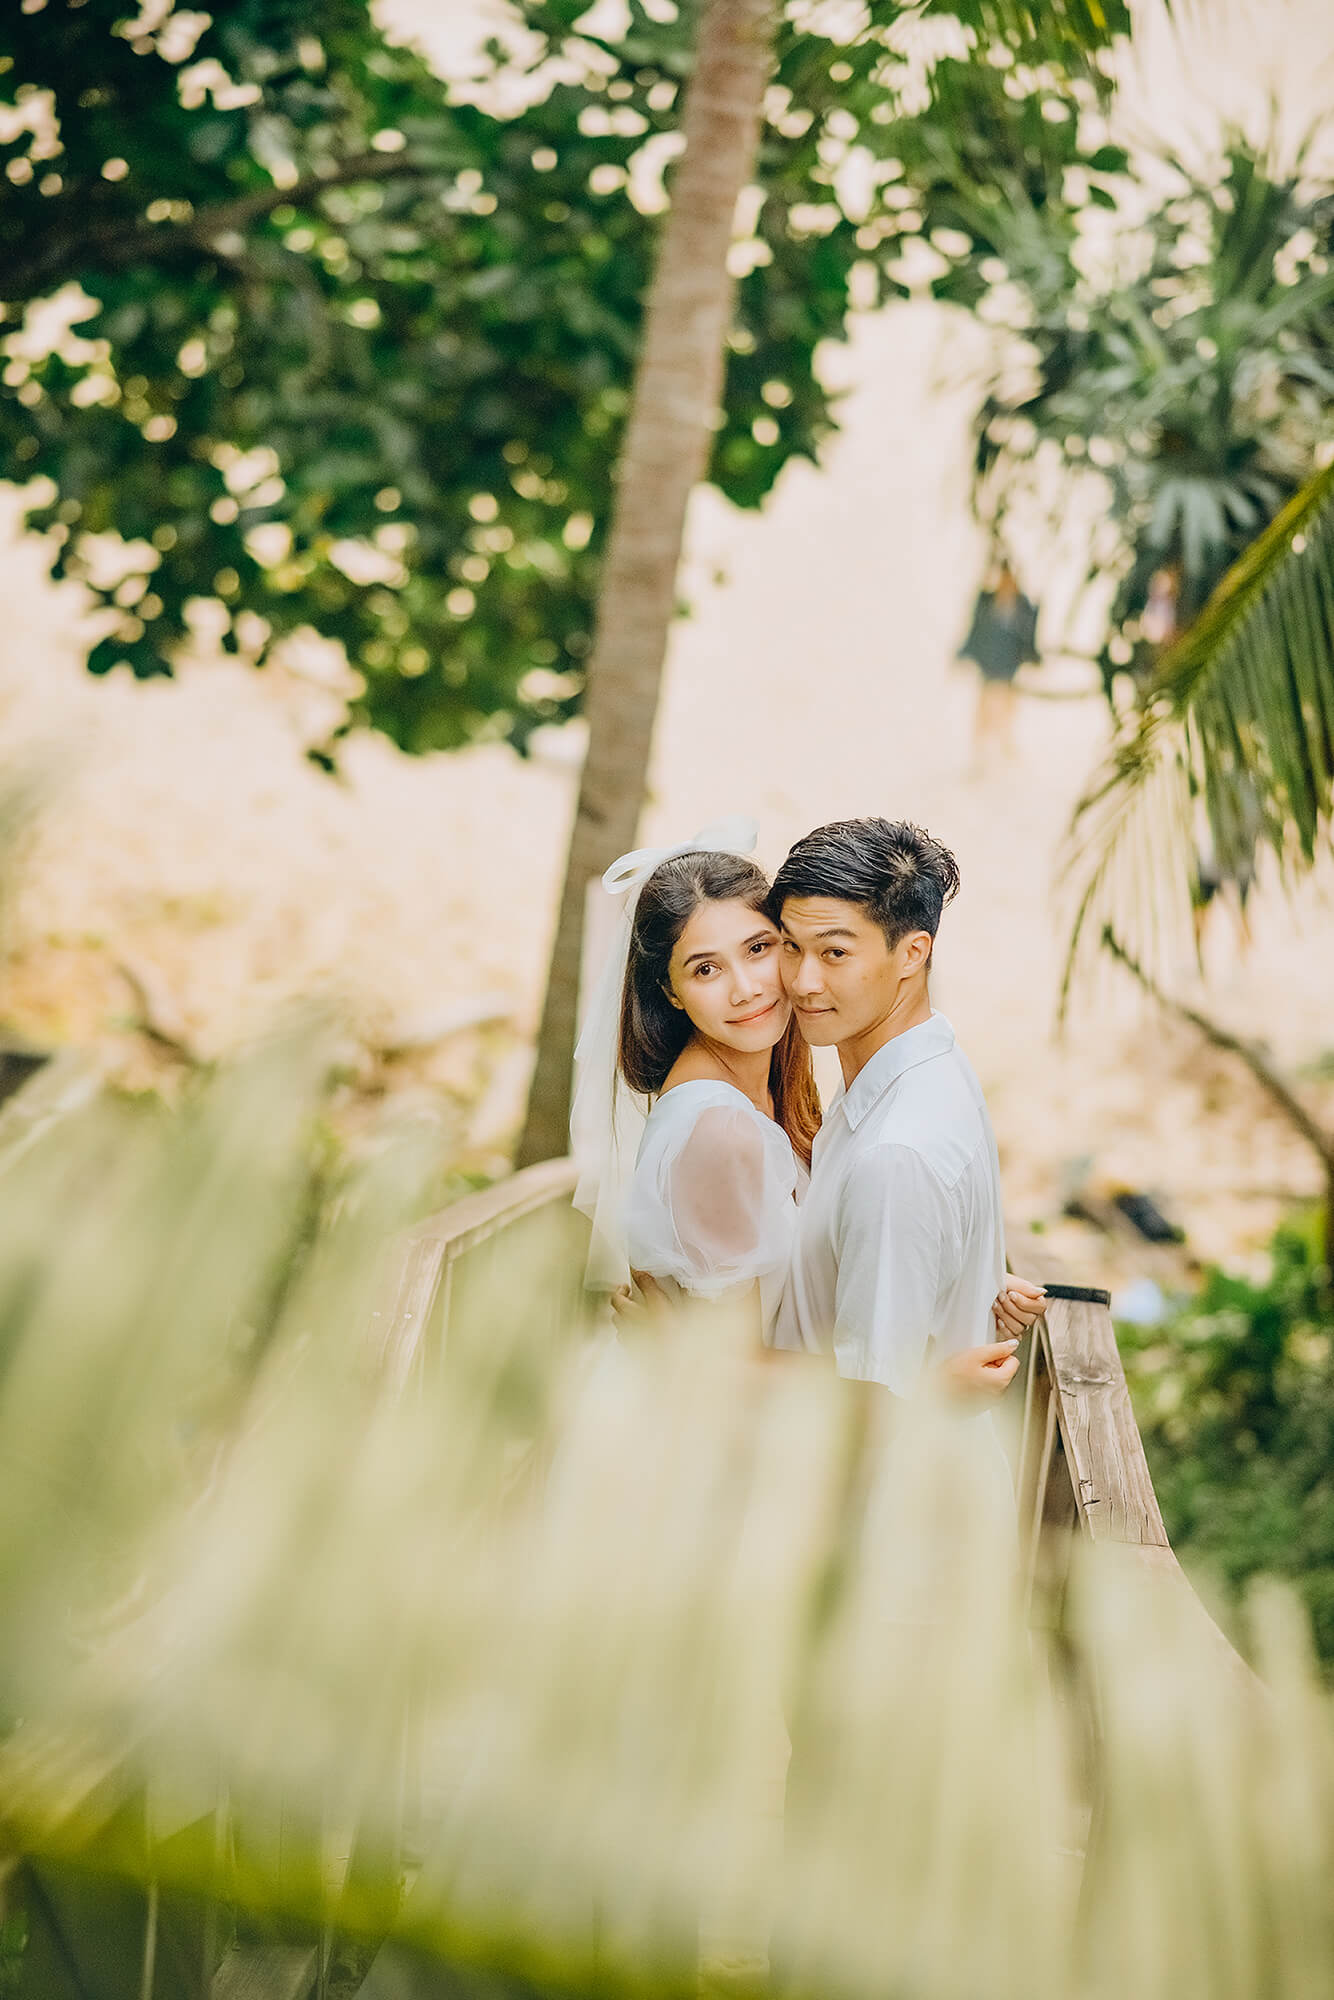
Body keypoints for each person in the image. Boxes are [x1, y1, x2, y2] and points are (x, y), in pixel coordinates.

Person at [570, 821, 1041, 1386]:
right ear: (671, 992)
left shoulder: (796, 1089)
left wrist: (960, 1275)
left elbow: (827, 1250)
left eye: (761, 948)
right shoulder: (722, 1131)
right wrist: (928, 1393)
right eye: (705, 969)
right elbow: (718, 1375)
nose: (746, 988)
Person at [767, 817, 1021, 1423]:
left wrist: (681, 1352)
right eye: (789, 946)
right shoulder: (933, 1068)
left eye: (834, 953)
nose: (802, 981)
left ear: (912, 952)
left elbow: (869, 1411)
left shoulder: (894, 1156)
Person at [957, 560, 1039, 773]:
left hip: (1008, 673)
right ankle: (980, 759)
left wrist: (1033, 657)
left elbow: (1029, 639)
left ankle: (1003, 754)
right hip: (989, 670)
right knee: (983, 715)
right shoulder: (987, 603)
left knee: (1006, 714)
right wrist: (963, 653)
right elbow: (974, 631)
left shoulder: (1023, 608)